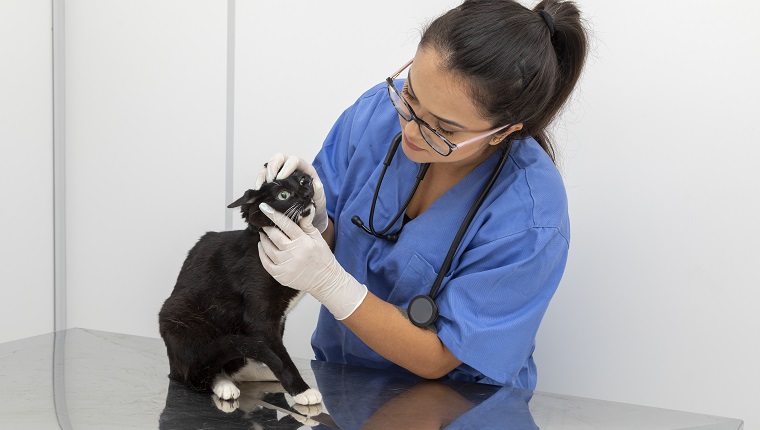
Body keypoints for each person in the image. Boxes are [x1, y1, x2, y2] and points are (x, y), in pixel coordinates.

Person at [255, 0, 588, 390]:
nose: (411, 131)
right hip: (344, 387)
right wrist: (315, 222)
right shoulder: (374, 115)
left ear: (501, 133)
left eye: (444, 129)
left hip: (457, 407)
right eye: (411, 95)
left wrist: (330, 284)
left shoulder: (531, 217)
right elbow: (329, 245)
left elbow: (440, 357)